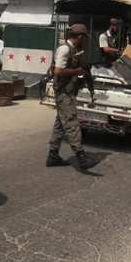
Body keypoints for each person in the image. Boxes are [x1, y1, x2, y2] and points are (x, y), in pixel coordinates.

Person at [46, 24, 95, 170]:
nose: (84, 41)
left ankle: (53, 156)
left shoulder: (75, 50)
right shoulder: (65, 49)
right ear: (79, 37)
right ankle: (81, 157)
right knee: (71, 121)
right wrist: (77, 71)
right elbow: (58, 71)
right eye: (83, 38)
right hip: (63, 93)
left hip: (68, 91)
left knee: (60, 124)